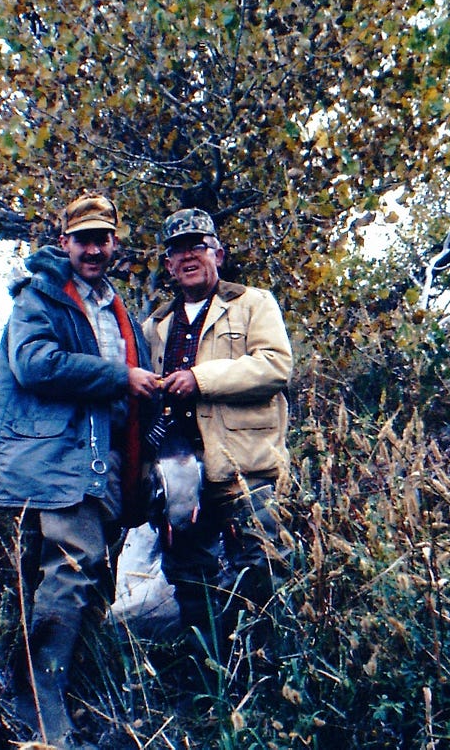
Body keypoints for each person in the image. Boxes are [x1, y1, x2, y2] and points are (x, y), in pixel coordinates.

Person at [0, 192, 159, 749]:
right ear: (64, 242)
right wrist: (118, 376)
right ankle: (43, 712)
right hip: (57, 460)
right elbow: (34, 364)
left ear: (114, 243)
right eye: (83, 238)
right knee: (71, 569)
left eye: (103, 237)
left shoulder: (117, 306)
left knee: (91, 575)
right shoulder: (37, 297)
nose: (94, 248)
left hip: (103, 461)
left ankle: (71, 691)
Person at [142, 207, 293, 685]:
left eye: (197, 247)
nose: (188, 256)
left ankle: (269, 675)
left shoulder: (254, 304)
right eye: (178, 251)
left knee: (264, 564)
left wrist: (200, 380)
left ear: (218, 255)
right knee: (189, 572)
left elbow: (274, 366)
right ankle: (212, 676)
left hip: (245, 466)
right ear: (168, 265)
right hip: (181, 474)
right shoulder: (156, 325)